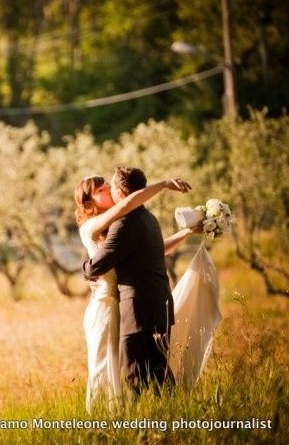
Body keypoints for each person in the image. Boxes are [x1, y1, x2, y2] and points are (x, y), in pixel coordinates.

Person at [75, 168, 197, 410]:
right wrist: (162, 184)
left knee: (127, 368)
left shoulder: (121, 225)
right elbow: (126, 204)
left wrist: (189, 231)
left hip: (123, 307)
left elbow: (156, 248)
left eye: (107, 186)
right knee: (105, 366)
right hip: (105, 306)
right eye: (100, 190)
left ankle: (125, 417)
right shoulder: (91, 225)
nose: (106, 189)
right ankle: (102, 419)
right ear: (88, 202)